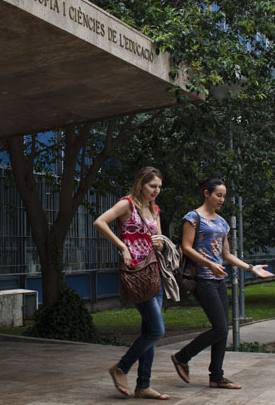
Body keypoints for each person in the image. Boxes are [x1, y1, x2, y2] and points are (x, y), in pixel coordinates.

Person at [170, 177, 275, 390]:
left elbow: (226, 254)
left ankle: (216, 376)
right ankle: (182, 357)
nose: (222, 199)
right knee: (219, 328)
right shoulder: (193, 217)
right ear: (206, 193)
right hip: (202, 279)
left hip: (219, 280)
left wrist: (250, 268)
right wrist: (209, 264)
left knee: (222, 329)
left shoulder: (222, 222)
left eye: (224, 196)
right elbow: (186, 247)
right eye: (219, 195)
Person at [93, 166, 170, 400]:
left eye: (158, 187)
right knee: (157, 330)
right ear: (141, 184)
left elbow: (158, 239)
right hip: (135, 272)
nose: (156, 190)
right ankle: (121, 368)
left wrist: (160, 244)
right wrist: (123, 246)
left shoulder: (154, 208)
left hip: (153, 271)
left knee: (150, 330)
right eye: (152, 186)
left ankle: (143, 385)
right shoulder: (128, 204)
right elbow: (100, 222)